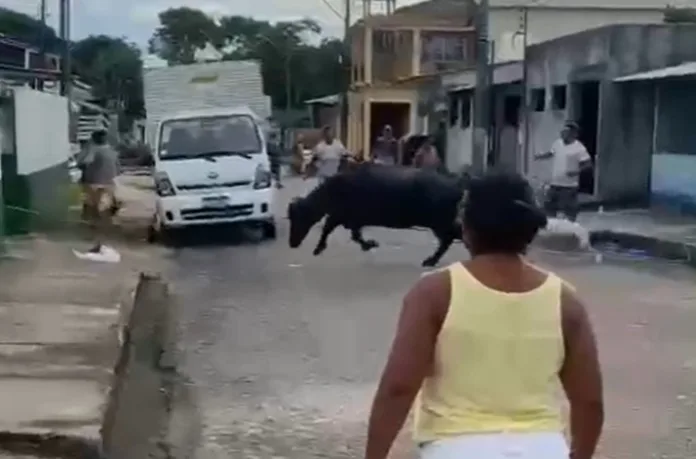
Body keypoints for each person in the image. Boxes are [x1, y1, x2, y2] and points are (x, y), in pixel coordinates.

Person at [364, 171, 604, 459]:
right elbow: (590, 403)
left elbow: (399, 388)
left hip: (454, 447)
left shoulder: (435, 292)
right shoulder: (566, 301)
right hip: (544, 448)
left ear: (466, 226)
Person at [536, 121, 592, 222]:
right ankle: (551, 228)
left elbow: (588, 165)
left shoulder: (579, 148)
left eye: (566, 131)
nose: (562, 133)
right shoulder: (557, 143)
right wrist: (541, 156)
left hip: (569, 186)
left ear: (573, 134)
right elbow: (551, 153)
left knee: (569, 211)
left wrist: (576, 172)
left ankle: (570, 229)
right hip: (555, 183)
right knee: (549, 208)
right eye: (563, 131)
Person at [80, 129, 120, 253]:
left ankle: (98, 242)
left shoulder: (94, 150)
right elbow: (118, 168)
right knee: (104, 213)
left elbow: (83, 163)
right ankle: (104, 241)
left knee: (96, 214)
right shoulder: (113, 151)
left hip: (95, 185)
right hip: (110, 185)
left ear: (94, 139)